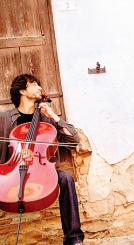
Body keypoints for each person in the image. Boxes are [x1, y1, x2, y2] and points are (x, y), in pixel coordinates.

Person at [0, 74, 84, 245]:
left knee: (66, 179)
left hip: (42, 169)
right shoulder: (5, 118)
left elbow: (73, 141)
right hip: (13, 169)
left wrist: (54, 116)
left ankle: (74, 238)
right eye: (34, 84)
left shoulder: (46, 119)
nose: (39, 87)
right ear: (22, 91)